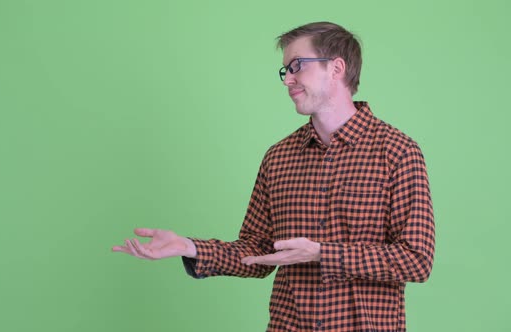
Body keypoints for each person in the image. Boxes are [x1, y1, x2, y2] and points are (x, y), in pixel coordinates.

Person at [113, 21, 435, 332]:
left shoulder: (397, 152)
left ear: (336, 69)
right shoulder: (278, 157)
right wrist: (189, 247)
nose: (287, 80)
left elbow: (416, 259)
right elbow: (258, 251)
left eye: (297, 66)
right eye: (285, 70)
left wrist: (322, 253)